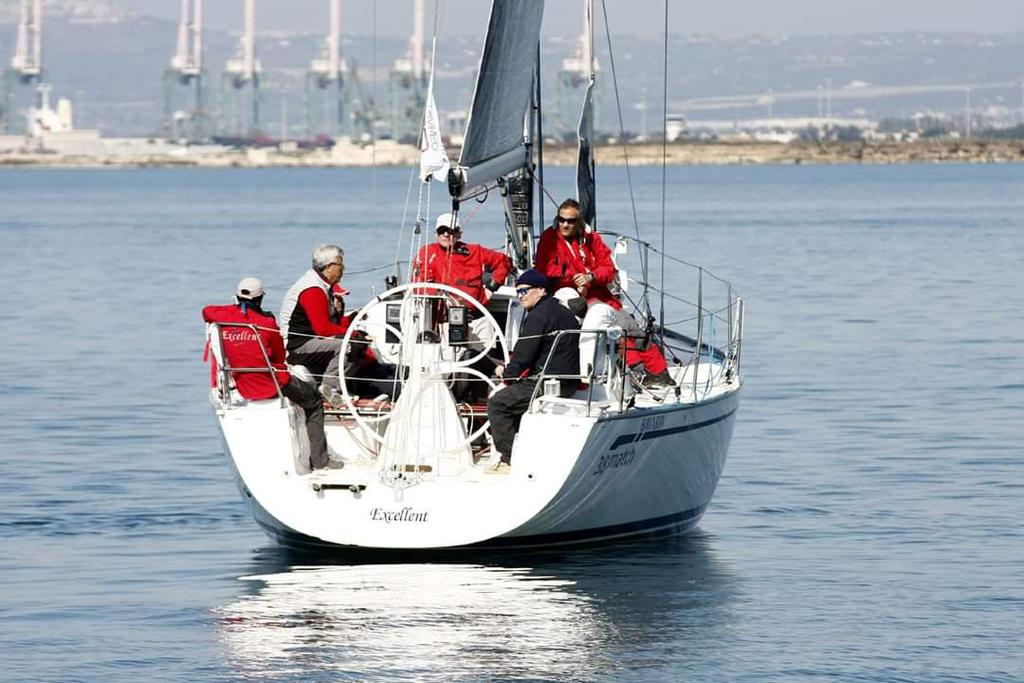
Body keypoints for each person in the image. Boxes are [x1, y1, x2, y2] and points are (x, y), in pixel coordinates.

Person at [534, 198, 673, 387]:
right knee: (616, 331)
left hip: (599, 295)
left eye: (570, 221)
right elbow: (544, 270)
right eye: (561, 220)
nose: (565, 224)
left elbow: (608, 269)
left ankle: (660, 373)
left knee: (631, 327)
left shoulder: (591, 240)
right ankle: (638, 372)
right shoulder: (549, 240)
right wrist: (575, 277)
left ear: (579, 222)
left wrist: (591, 276)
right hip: (572, 299)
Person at [203, 277, 329, 470]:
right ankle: (321, 462)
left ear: (236, 297)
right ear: (260, 299)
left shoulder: (223, 318)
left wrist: (232, 311)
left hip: (243, 384)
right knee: (314, 402)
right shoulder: (266, 323)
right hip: (272, 384)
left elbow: (207, 311)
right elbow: (280, 356)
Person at [487, 270, 580, 466]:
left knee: (498, 403)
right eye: (518, 292)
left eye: (524, 291)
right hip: (569, 381)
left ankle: (511, 457)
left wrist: (507, 375)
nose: (521, 297)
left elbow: (524, 355)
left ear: (541, 290)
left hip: (548, 384)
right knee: (515, 398)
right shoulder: (563, 312)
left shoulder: (538, 316)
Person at [280, 244, 352, 398]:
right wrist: (351, 333)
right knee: (348, 346)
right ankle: (330, 390)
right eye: (341, 265)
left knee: (354, 344)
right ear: (329, 267)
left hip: (309, 340)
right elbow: (323, 329)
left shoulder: (321, 285)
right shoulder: (313, 289)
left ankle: (345, 386)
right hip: (298, 345)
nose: (343, 269)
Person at [412, 213, 512, 304]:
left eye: (451, 231)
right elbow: (418, 285)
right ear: (436, 234)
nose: (446, 235)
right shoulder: (426, 253)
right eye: (442, 231)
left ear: (459, 234)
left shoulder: (475, 251)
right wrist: (442, 297)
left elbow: (504, 262)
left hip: (476, 315)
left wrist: (491, 287)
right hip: (441, 318)